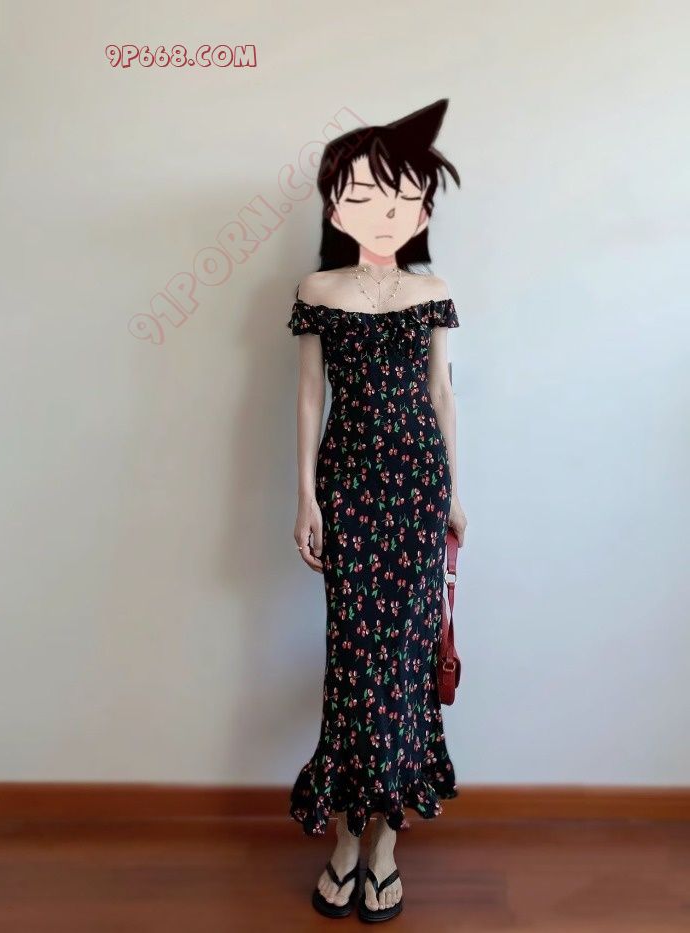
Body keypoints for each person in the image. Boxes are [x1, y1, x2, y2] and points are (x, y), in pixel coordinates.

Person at [286, 98, 467, 923]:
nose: (382, 210)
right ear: (335, 205)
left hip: (419, 485)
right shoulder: (317, 288)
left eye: (400, 195)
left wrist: (456, 492)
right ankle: (344, 838)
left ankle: (385, 842)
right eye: (361, 194)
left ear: (422, 208)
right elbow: (309, 395)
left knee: (405, 660)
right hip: (350, 485)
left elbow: (443, 394)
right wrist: (305, 495)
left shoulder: (433, 289)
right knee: (355, 661)